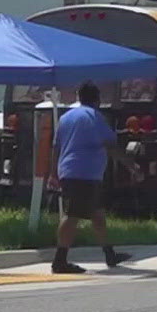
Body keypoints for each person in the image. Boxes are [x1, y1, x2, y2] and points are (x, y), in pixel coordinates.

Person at [51, 82, 133, 274]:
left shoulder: (66, 117)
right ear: (97, 99)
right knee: (72, 216)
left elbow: (56, 147)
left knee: (97, 214)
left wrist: (54, 173)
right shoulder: (95, 117)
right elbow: (110, 146)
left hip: (70, 171)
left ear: (79, 97)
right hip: (84, 174)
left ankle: (109, 254)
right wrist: (131, 166)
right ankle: (60, 260)